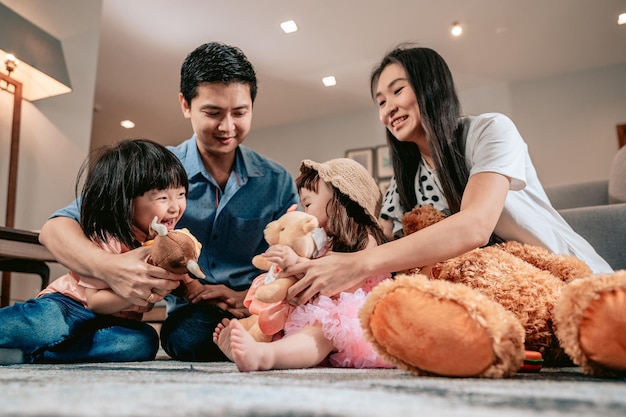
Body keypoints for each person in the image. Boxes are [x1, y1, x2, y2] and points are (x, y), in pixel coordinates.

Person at [284, 44, 613, 306]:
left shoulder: (490, 130)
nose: (388, 109)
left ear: (430, 86)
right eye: (380, 102)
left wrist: (363, 264)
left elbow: (475, 225)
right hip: (489, 297)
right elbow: (374, 237)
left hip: (571, 281)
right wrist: (309, 245)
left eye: (397, 91)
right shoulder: (405, 184)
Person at [38, 42, 298, 362]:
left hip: (255, 305)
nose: (227, 126)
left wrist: (245, 296)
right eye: (213, 112)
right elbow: (55, 228)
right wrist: (111, 267)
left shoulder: (276, 180)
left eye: (240, 112)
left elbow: (296, 253)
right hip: (193, 316)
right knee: (187, 336)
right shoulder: (155, 170)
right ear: (185, 105)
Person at [0, 139, 187, 365]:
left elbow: (181, 276)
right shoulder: (108, 236)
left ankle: (29, 355)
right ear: (126, 201)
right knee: (48, 326)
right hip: (71, 306)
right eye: (163, 198)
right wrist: (137, 291)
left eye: (181, 194)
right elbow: (96, 302)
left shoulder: (159, 244)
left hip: (111, 322)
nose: (175, 206)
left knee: (142, 341)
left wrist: (192, 286)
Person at [213, 158, 393, 372]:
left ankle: (265, 356)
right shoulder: (323, 242)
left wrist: (299, 264)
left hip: (352, 318)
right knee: (279, 324)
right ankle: (253, 344)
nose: (305, 213)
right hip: (315, 311)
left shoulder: (366, 240)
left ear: (339, 199)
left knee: (323, 330)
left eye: (308, 204)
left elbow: (344, 289)